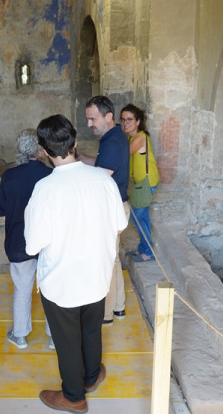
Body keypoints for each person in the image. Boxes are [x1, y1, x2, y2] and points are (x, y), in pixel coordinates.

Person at [25, 114, 127, 413]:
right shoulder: (103, 181)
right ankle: (92, 376)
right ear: (76, 143)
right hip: (96, 275)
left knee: (67, 341)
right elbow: (119, 224)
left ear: (43, 150)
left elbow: (33, 244)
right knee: (91, 329)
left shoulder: (44, 190)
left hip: (61, 282)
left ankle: (73, 396)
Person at [0, 129, 53, 349]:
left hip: (19, 241)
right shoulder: (50, 176)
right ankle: (54, 336)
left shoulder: (9, 176)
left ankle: (20, 335)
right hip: (48, 241)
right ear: (41, 150)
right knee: (50, 288)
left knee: (22, 287)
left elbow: (1, 210)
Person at [78, 95, 130, 325]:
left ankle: (106, 314)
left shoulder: (112, 142)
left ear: (108, 116)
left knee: (106, 262)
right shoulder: (114, 136)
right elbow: (101, 166)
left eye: (93, 119)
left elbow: (101, 178)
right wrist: (77, 157)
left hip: (111, 210)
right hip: (118, 205)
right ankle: (118, 307)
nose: (90, 125)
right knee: (114, 260)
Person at [120, 104, 160, 261]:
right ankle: (144, 248)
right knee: (140, 217)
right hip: (139, 182)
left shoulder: (140, 137)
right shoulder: (132, 137)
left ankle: (148, 252)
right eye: (123, 120)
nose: (125, 123)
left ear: (138, 121)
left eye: (129, 119)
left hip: (146, 182)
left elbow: (124, 155)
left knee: (139, 216)